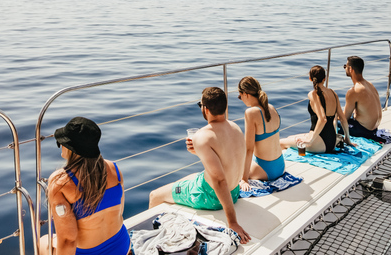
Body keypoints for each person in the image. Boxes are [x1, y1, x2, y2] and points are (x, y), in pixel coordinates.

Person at [149, 87, 251, 244]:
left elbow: (219, 180)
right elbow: (229, 159)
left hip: (210, 197)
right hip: (234, 192)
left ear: (206, 109)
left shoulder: (202, 136)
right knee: (191, 177)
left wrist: (232, 222)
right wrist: (198, 152)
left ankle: (153, 240)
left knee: (154, 195)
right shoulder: (235, 127)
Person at [40, 117, 130, 255]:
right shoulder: (114, 169)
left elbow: (68, 240)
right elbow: (120, 211)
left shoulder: (60, 182)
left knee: (43, 242)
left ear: (71, 149)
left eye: (61, 142)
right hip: (121, 246)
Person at [280, 65, 354, 153]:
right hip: (332, 142)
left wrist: (310, 140)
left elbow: (323, 119)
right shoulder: (333, 93)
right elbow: (343, 119)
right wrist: (348, 140)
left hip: (319, 143)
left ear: (310, 79)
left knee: (280, 143)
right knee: (289, 139)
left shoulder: (313, 94)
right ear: (324, 79)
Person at [237, 76, 285, 190]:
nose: (241, 99)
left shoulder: (251, 113)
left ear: (246, 94)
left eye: (240, 96)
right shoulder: (271, 108)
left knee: (230, 167)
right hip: (280, 166)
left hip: (266, 170)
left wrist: (244, 179)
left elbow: (249, 149)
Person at [340, 56, 387, 143]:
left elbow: (344, 118)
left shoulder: (353, 91)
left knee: (333, 124)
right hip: (374, 129)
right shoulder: (370, 85)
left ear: (350, 69)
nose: (345, 68)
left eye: (345, 66)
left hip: (364, 131)